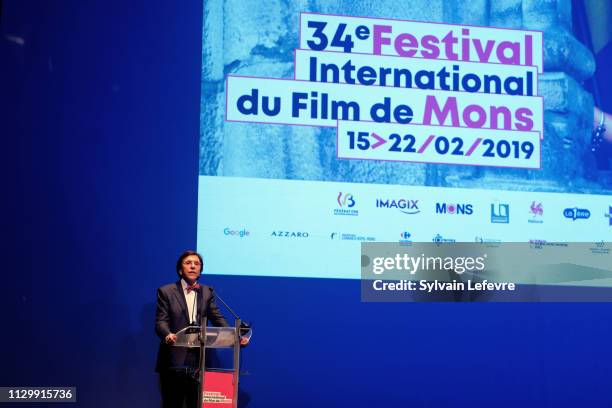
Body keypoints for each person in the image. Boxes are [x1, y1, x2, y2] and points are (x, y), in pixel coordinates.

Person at [155, 250, 248, 408]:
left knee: (196, 404)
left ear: (200, 270)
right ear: (180, 270)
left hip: (200, 360)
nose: (193, 266)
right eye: (188, 263)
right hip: (174, 358)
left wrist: (234, 336)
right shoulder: (166, 291)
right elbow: (161, 321)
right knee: (172, 404)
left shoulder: (207, 292)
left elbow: (217, 318)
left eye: (197, 264)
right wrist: (168, 334)